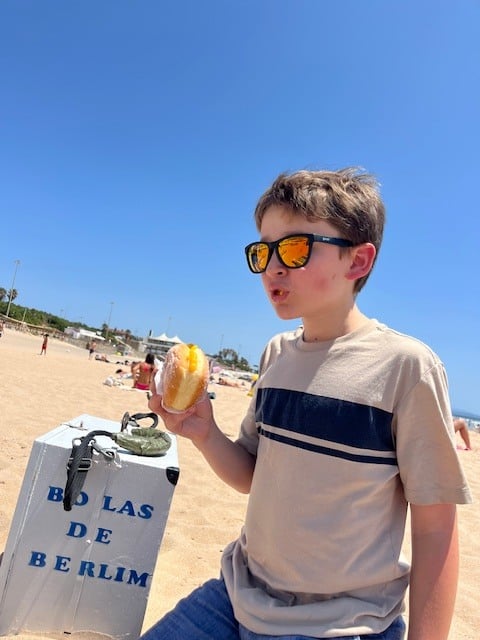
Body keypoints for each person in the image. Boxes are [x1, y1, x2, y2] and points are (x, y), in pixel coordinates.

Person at [144, 168, 472, 640]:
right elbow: (251, 476)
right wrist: (204, 432)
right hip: (238, 593)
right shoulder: (277, 354)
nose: (272, 267)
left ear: (357, 261)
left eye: (294, 247)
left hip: (338, 622)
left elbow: (436, 527)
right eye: (262, 251)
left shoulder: (406, 367)